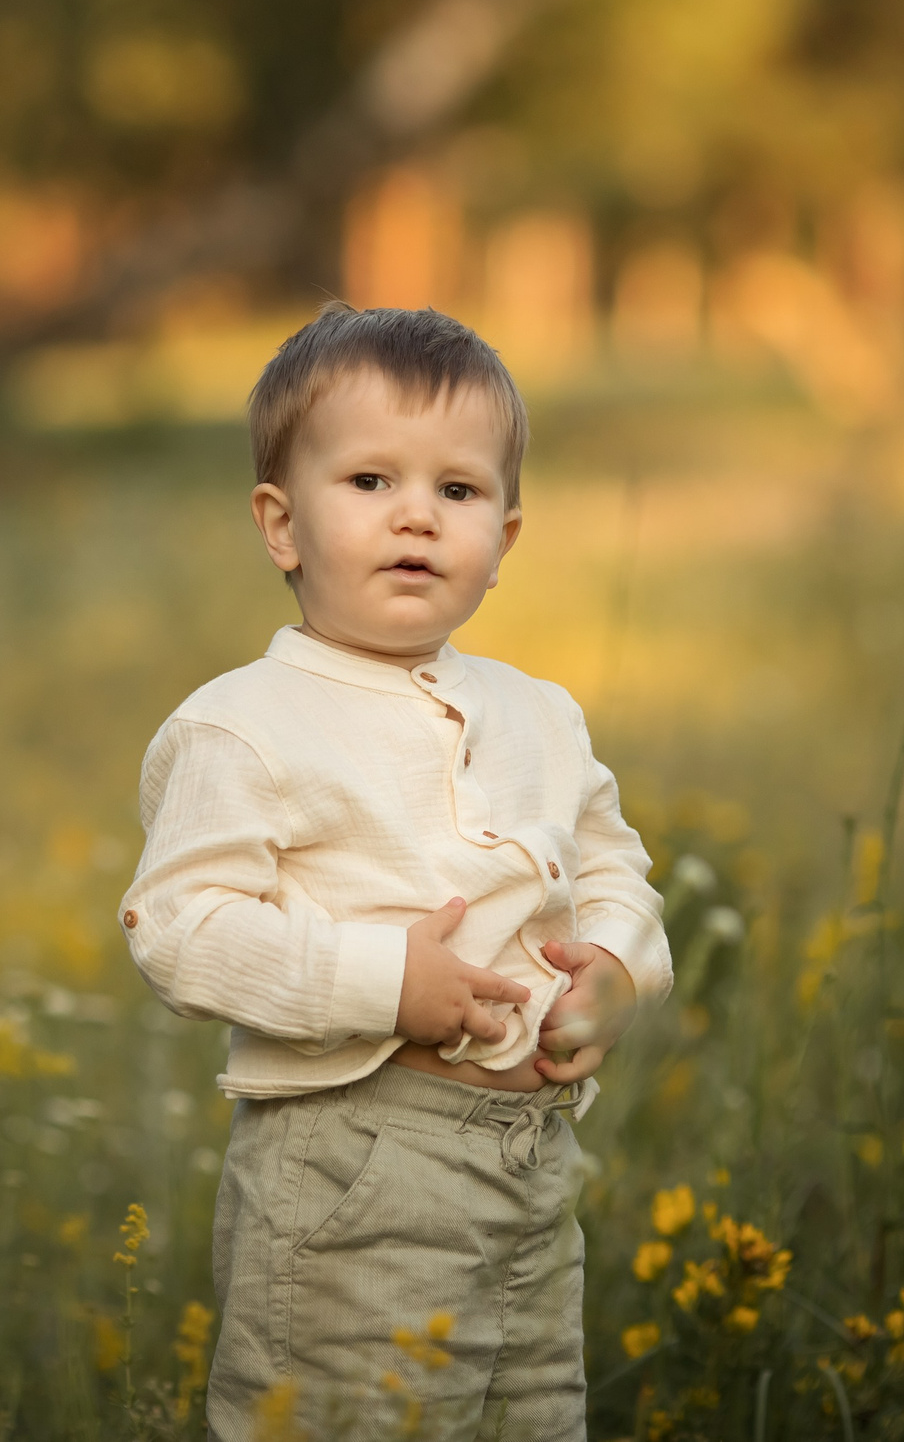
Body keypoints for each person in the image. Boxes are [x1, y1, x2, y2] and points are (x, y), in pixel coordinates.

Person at [118, 304, 675, 1440]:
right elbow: (178, 926)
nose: (416, 515)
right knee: (347, 1422)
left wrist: (617, 966)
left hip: (532, 1163)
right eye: (369, 482)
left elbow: (612, 860)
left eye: (458, 492)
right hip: (353, 1159)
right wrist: (384, 981)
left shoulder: (539, 713)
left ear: (504, 541)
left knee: (531, 1417)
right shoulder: (246, 726)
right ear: (282, 525)